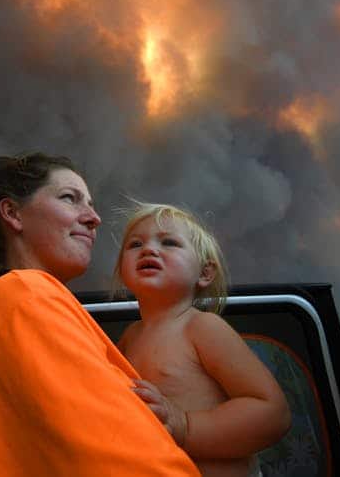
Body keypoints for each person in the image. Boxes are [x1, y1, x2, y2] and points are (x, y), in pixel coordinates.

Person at [0, 152, 199, 476]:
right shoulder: (24, 298)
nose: (94, 218)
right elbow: (118, 460)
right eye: (70, 199)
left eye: (91, 204)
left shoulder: (16, 303)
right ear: (13, 213)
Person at [114, 202, 291, 477]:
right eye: (135, 244)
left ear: (205, 273)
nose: (148, 249)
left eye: (169, 242)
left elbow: (272, 412)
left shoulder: (203, 327)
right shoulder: (128, 338)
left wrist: (186, 426)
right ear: (121, 270)